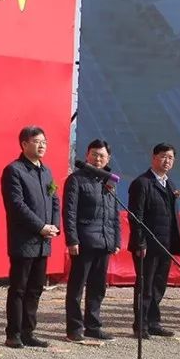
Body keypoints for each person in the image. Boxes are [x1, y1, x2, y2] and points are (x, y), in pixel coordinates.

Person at [1, 125, 60, 348]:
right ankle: (13, 333)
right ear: (24, 144)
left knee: (36, 288)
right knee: (19, 288)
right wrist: (40, 226)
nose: (42, 145)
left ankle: (28, 332)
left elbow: (55, 200)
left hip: (44, 241)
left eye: (44, 141)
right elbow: (17, 205)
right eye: (37, 141)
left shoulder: (47, 171)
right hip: (24, 240)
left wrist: (54, 226)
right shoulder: (14, 170)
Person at [62, 138, 121, 342]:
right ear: (87, 155)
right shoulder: (76, 179)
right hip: (84, 241)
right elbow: (69, 212)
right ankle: (74, 328)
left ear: (108, 158)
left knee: (98, 287)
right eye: (94, 154)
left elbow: (114, 214)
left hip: (105, 242)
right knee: (77, 287)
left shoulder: (110, 181)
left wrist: (116, 240)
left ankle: (93, 326)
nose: (97, 159)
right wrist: (72, 239)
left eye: (101, 155)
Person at [127, 144, 180, 339]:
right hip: (148, 245)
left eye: (170, 158)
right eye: (163, 156)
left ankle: (153, 322)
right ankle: (141, 325)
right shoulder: (142, 183)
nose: (167, 161)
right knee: (145, 286)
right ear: (154, 157)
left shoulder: (170, 184)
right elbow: (136, 216)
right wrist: (139, 242)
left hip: (165, 244)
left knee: (159, 285)